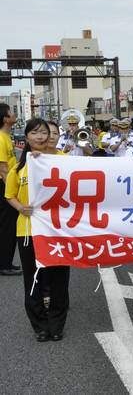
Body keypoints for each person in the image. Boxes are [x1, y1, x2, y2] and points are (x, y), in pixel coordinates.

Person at [5, 118, 70, 341]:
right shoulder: (19, 168)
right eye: (35, 133)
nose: (41, 137)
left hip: (58, 231)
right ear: (27, 137)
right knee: (33, 279)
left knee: (59, 279)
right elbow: (9, 195)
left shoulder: (64, 162)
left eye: (44, 133)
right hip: (28, 232)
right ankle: (40, 325)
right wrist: (21, 208)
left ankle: (56, 324)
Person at [0, 103, 21, 276]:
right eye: (11, 112)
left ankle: (6, 262)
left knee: (8, 226)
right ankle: (4, 264)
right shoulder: (0, 138)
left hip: (7, 185)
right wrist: (12, 193)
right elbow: (3, 169)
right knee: (6, 226)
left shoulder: (7, 136)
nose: (14, 114)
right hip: (4, 186)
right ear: (6, 118)